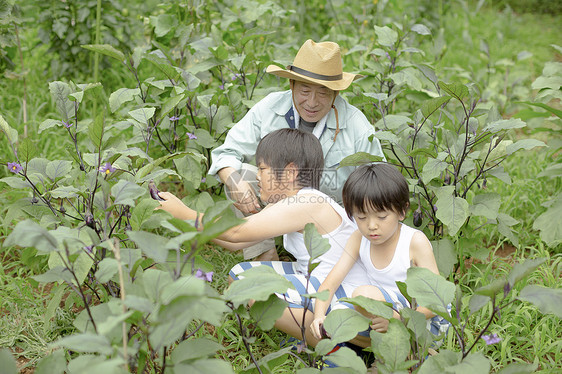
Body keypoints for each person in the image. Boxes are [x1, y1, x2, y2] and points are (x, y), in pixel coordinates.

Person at [157, 129, 368, 346]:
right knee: (239, 276)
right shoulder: (288, 202)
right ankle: (310, 332)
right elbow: (235, 241)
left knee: (250, 287)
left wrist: (183, 212)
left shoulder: (308, 202)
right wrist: (184, 220)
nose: (257, 176)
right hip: (318, 281)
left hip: (347, 295)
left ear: (290, 172)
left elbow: (236, 232)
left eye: (262, 168)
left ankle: (334, 345)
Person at [208, 39, 385, 261]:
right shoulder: (270, 107)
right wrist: (236, 184)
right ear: (291, 85)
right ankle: (264, 253)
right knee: (240, 174)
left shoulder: (356, 124)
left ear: (336, 94)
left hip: (332, 218)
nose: (311, 102)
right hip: (279, 199)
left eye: (323, 93)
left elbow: (379, 181)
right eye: (304, 90)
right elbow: (226, 154)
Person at [310, 163, 450, 348]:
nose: (372, 226)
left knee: (362, 294)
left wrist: (400, 319)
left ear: (402, 211)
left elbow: (437, 300)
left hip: (423, 319)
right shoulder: (359, 238)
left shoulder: (414, 242)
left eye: (382, 217)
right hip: (382, 310)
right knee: (337, 315)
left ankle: (412, 351)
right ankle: (373, 352)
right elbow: (331, 282)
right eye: (361, 217)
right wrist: (319, 315)